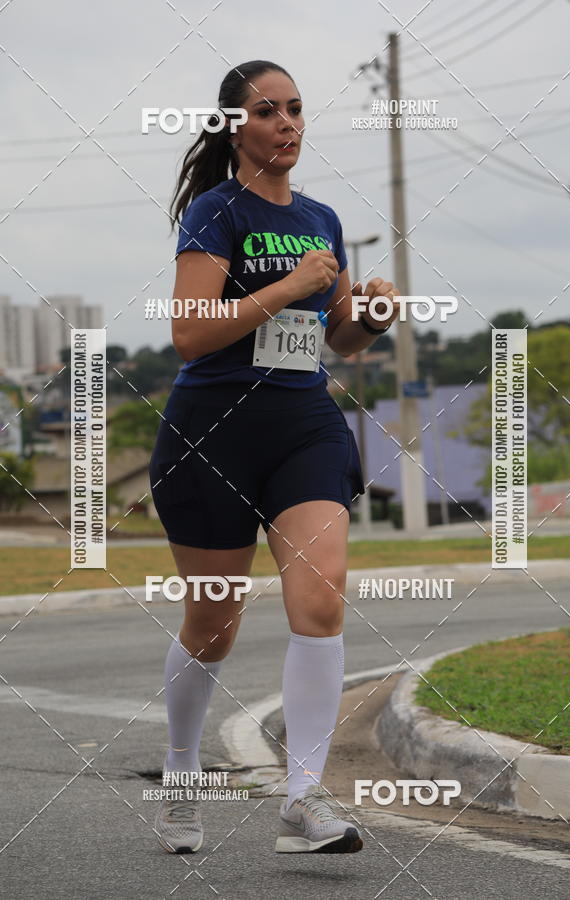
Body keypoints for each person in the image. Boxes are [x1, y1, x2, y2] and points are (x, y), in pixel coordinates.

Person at [149, 59, 401, 855]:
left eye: (296, 110)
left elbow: (341, 342)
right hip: (213, 429)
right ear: (236, 127)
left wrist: (371, 317)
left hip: (303, 424)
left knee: (321, 600)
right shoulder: (214, 213)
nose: (287, 124)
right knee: (214, 620)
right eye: (269, 111)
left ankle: (302, 800)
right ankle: (183, 774)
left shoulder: (322, 218)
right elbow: (189, 332)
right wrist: (291, 283)